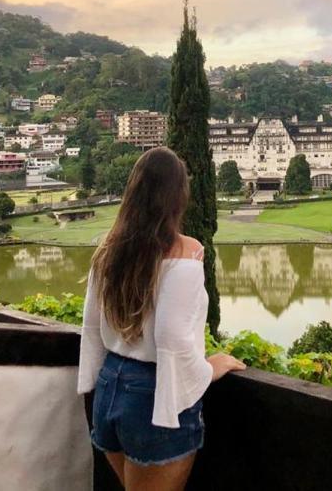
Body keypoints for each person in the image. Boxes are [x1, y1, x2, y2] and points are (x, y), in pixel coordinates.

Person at [78, 146, 246, 490]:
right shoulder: (188, 253)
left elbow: (91, 327)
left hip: (109, 387)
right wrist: (210, 368)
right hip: (154, 396)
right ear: (177, 197)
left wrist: (92, 383)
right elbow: (172, 339)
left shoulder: (108, 251)